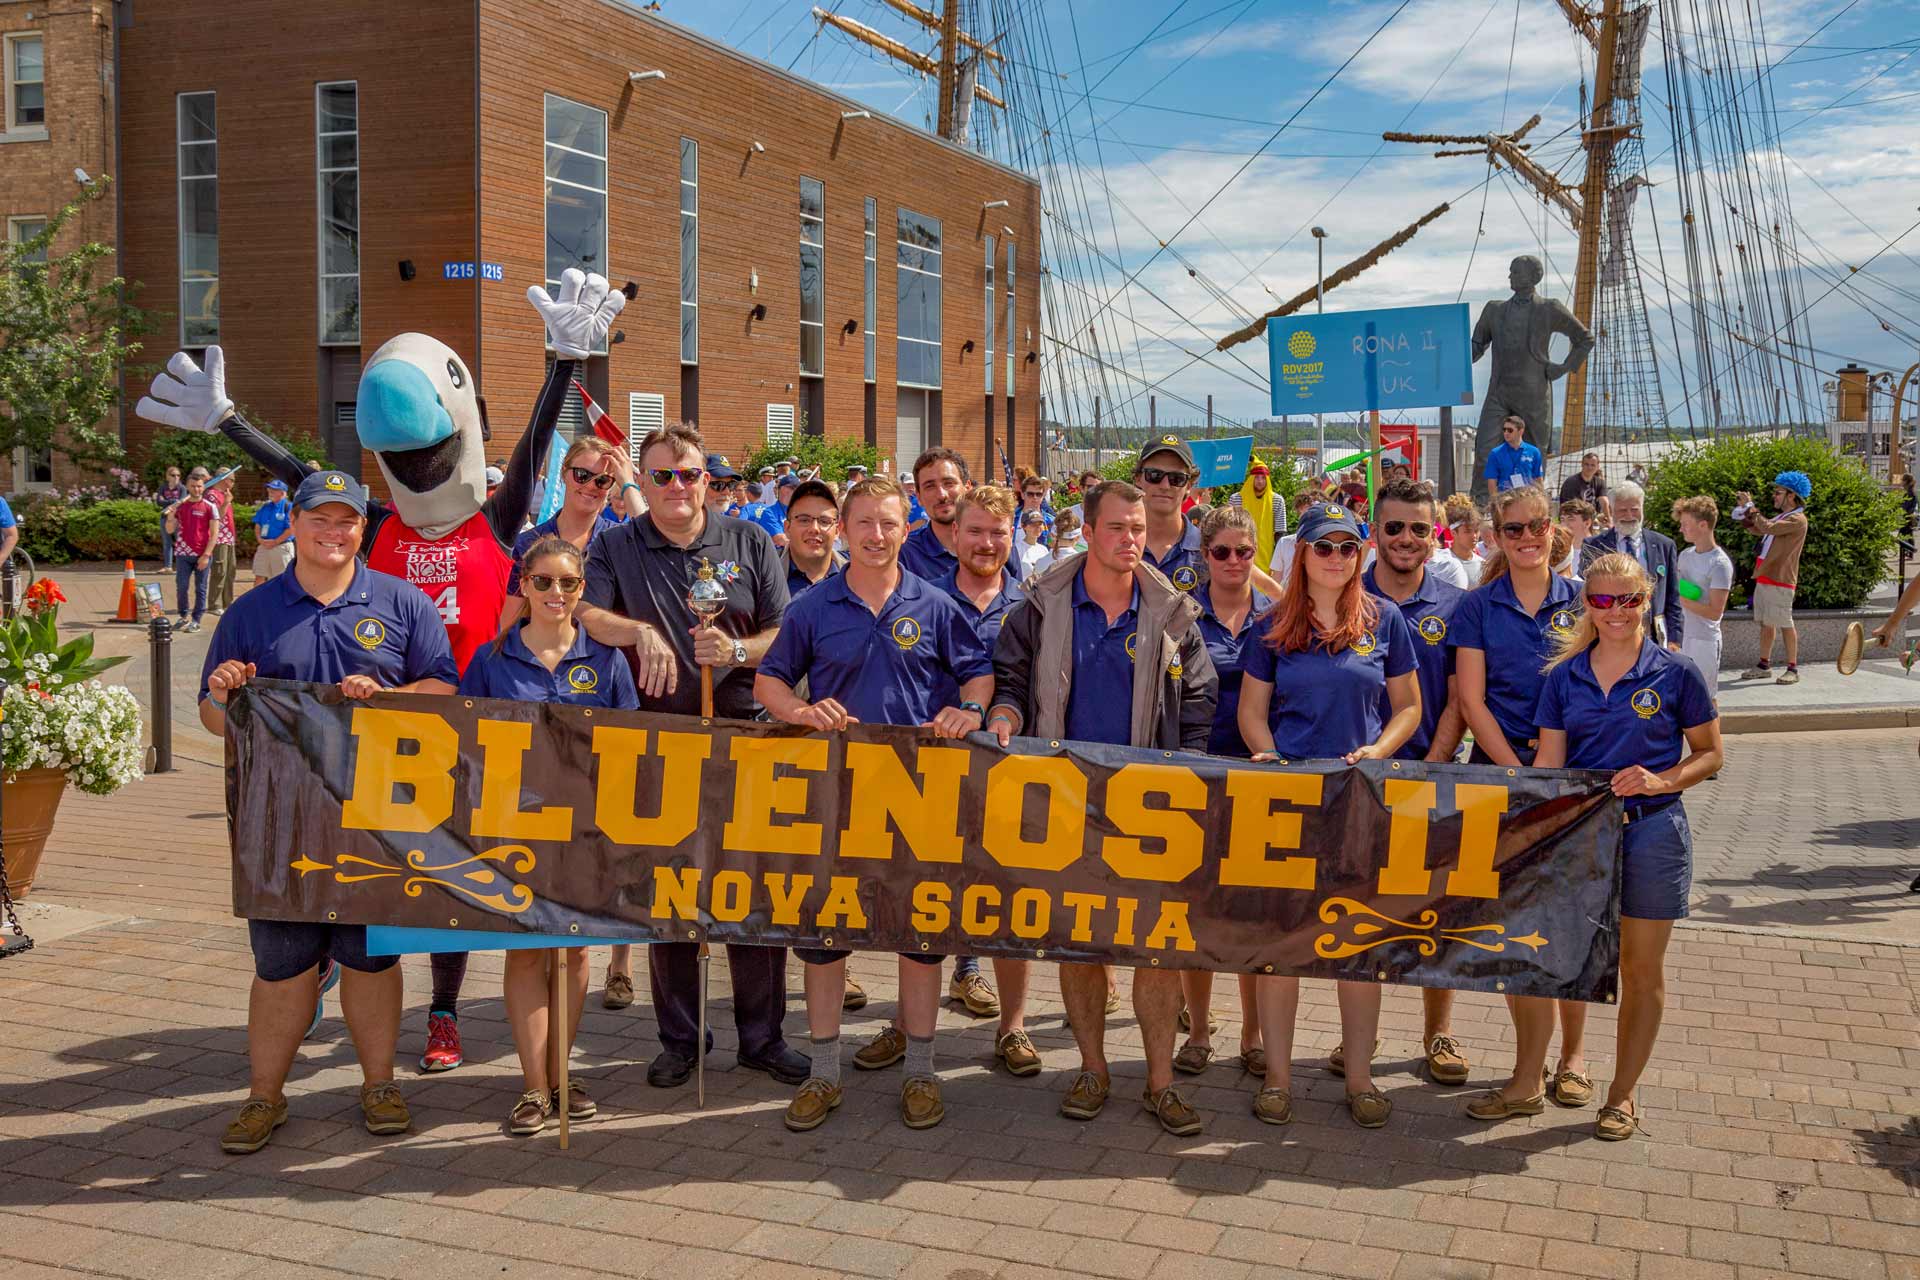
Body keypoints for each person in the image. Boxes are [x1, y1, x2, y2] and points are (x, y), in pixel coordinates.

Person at [199, 469, 459, 1154]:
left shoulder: (403, 604)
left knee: (369, 958)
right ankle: (265, 1096)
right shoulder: (252, 612)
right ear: (296, 524)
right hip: (278, 817)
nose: (334, 532)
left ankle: (378, 1084)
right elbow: (210, 713)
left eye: (347, 521)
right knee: (281, 963)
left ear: (363, 529)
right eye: (321, 519)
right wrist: (225, 696)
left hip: (376, 815)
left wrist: (390, 696)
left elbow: (444, 687)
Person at [574, 423, 810, 1089]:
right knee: (668, 896)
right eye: (662, 476)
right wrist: (640, 630)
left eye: (689, 474)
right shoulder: (619, 544)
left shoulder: (750, 539)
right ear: (641, 483)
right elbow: (586, 613)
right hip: (656, 745)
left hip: (744, 736)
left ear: (708, 479)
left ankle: (762, 1037)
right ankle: (681, 1039)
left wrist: (735, 652)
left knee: (753, 893)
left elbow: (783, 632)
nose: (677, 487)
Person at [755, 477, 993, 1133]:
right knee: (826, 940)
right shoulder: (813, 607)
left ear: (906, 528)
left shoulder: (937, 605)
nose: (876, 535)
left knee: (919, 940)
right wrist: (801, 710)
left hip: (919, 798)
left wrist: (968, 707)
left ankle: (920, 1072)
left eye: (889, 523)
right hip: (834, 796)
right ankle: (825, 1074)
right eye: (864, 522)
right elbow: (768, 678)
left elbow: (976, 671)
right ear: (843, 529)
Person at [987, 480, 1218, 1136]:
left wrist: (1185, 769)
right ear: (1086, 530)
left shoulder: (1172, 610)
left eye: (1138, 529)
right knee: (1080, 948)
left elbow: (1200, 695)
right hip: (1065, 807)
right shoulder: (1040, 607)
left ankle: (1161, 1082)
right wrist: (1005, 714)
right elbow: (1010, 682)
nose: (1130, 540)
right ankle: (1092, 1068)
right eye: (1116, 527)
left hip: (1151, 811)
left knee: (1157, 951)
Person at [1470, 552, 1722, 1140]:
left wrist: (1665, 779)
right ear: (1587, 604)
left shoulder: (1676, 672)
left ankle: (1623, 1094)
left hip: (1654, 830)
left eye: (1628, 599)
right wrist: (1524, 823)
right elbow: (1550, 764)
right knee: (1540, 954)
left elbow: (1711, 753)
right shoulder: (1563, 676)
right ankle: (1527, 1080)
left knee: (1640, 970)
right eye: (1603, 600)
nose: (1616, 611)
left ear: (1647, 600)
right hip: (1579, 832)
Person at [1237, 501, 1421, 1129]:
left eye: (1349, 547)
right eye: (1325, 547)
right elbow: (1252, 711)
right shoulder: (1271, 626)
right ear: (1302, 555)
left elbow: (1408, 709)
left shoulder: (1386, 620)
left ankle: (1360, 1078)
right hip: (1288, 803)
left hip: (1359, 800)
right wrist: (1265, 753)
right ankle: (1280, 1080)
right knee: (1283, 947)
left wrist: (1379, 750)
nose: (1338, 558)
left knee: (1358, 946)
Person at [457, 535, 639, 1133]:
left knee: (576, 949)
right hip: (518, 827)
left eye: (568, 583)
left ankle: (563, 1073)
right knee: (529, 950)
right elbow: (464, 746)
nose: (556, 593)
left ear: (582, 589)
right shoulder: (490, 660)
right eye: (543, 582)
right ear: (524, 587)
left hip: (587, 831)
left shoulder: (608, 663)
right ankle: (534, 1087)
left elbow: (633, 748)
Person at [1453, 484, 1596, 1106]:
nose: (1528, 538)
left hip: (1574, 782)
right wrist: (1519, 772)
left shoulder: (1586, 599)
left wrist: (1551, 768)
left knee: (1570, 924)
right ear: (1495, 536)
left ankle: (1572, 1058)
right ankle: (1525, 1072)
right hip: (1502, 780)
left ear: (1553, 529)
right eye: (1514, 530)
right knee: (1517, 931)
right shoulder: (1478, 607)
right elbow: (1470, 700)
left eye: (1537, 526)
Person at [1360, 478, 1473, 1083]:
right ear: (1374, 531)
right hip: (1362, 781)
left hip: (1432, 772)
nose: (1406, 539)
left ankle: (1439, 1034)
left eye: (1419, 529)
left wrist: (1434, 761)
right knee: (1360, 911)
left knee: (1439, 912)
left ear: (1435, 538)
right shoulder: (1344, 596)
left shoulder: (1457, 607)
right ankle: (1362, 1037)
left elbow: (1459, 698)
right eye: (1394, 527)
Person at [1179, 506, 1271, 1080]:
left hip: (1261, 776)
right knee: (1199, 911)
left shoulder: (1279, 617)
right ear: (1204, 556)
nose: (1234, 562)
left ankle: (1254, 1032)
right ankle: (1196, 1029)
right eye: (1222, 552)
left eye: (1244, 551)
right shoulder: (1181, 615)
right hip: (1196, 771)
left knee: (1254, 914)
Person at [1579, 479, 1684, 650]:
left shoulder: (1664, 545)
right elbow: (1585, 594)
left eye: (1634, 509)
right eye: (1622, 510)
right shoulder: (1593, 546)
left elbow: (1673, 596)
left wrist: (1675, 639)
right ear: (1611, 511)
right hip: (1608, 636)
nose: (1629, 516)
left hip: (1654, 638)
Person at [1735, 471, 1811, 685]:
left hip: (1781, 578)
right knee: (1767, 624)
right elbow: (1758, 529)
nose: (1774, 496)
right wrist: (1745, 514)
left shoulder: (1797, 519)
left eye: (1778, 493)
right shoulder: (1782, 517)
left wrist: (1752, 507)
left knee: (1785, 623)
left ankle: (1793, 669)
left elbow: (1767, 527)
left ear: (1791, 496)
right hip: (1766, 575)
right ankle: (1763, 665)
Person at [1673, 496, 1733, 696]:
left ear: (1703, 525)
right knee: (1681, 696)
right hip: (1682, 637)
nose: (1681, 529)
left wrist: (1679, 598)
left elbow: (1715, 612)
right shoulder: (1685, 555)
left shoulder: (1720, 564)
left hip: (1704, 641)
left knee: (1705, 697)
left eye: (1685, 524)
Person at [1136, 436, 1206, 594]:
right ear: (1138, 479)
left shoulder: (1209, 551)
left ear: (1189, 486)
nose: (1165, 486)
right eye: (1154, 475)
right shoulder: (1119, 545)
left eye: (1176, 478)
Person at [164, 466, 218, 631]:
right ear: (187, 486)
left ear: (203, 486)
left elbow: (214, 534)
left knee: (200, 587)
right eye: (193, 486)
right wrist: (171, 515)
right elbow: (169, 530)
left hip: (202, 554)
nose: (197, 489)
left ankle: (196, 620)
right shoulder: (181, 506)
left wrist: (206, 555)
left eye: (200, 486)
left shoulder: (210, 506)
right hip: (183, 553)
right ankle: (182, 616)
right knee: (181, 586)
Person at [782, 478, 845, 598]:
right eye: (804, 520)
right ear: (787, 528)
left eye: (824, 521)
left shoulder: (857, 579)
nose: (814, 528)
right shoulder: (763, 578)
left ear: (837, 530)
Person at [1227, 460, 1287, 568]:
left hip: (1266, 554)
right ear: (1251, 479)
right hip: (1239, 551)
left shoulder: (1277, 500)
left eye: (1263, 478)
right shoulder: (1236, 498)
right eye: (1257, 477)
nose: (1260, 481)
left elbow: (1280, 531)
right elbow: (1228, 527)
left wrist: (1279, 559)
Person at [1483, 416, 1545, 501]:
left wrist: (1541, 501)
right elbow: (1492, 481)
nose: (1506, 433)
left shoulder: (1534, 452)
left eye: (1510, 430)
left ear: (1521, 431)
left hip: (1527, 500)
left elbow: (1538, 479)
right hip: (1505, 501)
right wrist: (1495, 503)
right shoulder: (1495, 453)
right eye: (1504, 430)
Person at [205, 467, 239, 613]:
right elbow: (217, 516)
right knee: (219, 571)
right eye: (232, 480)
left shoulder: (224, 494)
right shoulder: (212, 495)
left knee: (230, 571)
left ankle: (227, 603)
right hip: (219, 538)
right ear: (224, 479)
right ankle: (215, 604)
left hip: (228, 538)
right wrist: (226, 503)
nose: (233, 483)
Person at [1268, 490, 1319, 587]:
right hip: (1286, 598)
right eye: (1303, 513)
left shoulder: (1325, 547)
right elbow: (1276, 579)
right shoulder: (1284, 542)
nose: (1308, 517)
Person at [250, 478, 295, 584]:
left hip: (281, 547)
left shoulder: (289, 507)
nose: (270, 492)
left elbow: (291, 529)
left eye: (274, 490)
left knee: (281, 579)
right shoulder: (266, 506)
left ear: (283, 493)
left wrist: (275, 542)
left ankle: (280, 601)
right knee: (259, 576)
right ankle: (258, 600)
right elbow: (258, 524)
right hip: (264, 546)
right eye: (269, 489)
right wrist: (260, 540)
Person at [1442, 494, 1485, 586]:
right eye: (1467, 531)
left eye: (1476, 531)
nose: (1474, 536)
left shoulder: (1483, 565)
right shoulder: (1440, 560)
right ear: (1453, 533)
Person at [1557, 451, 1612, 521]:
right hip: (1571, 519)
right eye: (1587, 464)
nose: (1589, 467)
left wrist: (1609, 520)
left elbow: (1604, 502)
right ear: (1582, 464)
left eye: (1592, 465)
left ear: (1597, 467)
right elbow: (1572, 508)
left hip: (1591, 518)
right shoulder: (1571, 482)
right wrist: (1595, 518)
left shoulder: (1600, 482)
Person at [153, 465, 186, 571]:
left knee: (179, 542)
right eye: (173, 475)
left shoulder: (182, 488)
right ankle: (168, 566)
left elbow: (181, 502)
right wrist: (172, 502)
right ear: (167, 476)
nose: (176, 477)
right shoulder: (163, 487)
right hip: (165, 517)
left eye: (178, 475)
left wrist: (166, 501)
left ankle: (182, 566)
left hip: (177, 518)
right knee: (167, 542)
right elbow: (159, 501)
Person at [1556, 498, 1596, 576]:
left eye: (1571, 519)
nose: (1564, 525)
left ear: (1587, 523)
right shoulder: (1558, 552)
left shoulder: (1599, 551)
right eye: (1562, 519)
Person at [1016, 507, 1054, 575]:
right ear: (1023, 526)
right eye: (1033, 524)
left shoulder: (1043, 549)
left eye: (1040, 524)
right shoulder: (1016, 549)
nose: (1037, 527)